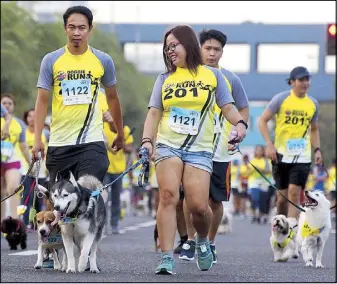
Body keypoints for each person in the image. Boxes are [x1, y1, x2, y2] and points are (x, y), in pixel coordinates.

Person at [140, 25, 247, 275]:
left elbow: (228, 107)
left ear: (188, 44)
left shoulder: (212, 76)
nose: (170, 51)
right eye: (167, 47)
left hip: (199, 149)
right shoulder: (164, 79)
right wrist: (147, 140)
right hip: (168, 145)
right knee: (168, 196)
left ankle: (201, 240)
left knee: (199, 206)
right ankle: (166, 257)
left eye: (174, 45)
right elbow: (154, 112)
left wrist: (240, 125)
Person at [32, 6, 124, 187]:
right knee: (58, 202)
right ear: (65, 28)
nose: (76, 32)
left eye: (81, 28)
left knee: (85, 192)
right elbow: (42, 101)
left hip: (92, 142)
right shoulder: (51, 60)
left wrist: (119, 132)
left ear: (90, 29)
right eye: (72, 27)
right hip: (60, 142)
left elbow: (113, 98)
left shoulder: (103, 60)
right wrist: (37, 140)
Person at [179, 29, 249, 264]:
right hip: (193, 147)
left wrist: (239, 131)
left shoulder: (230, 79)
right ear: (198, 49)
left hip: (220, 150)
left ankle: (209, 242)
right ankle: (190, 240)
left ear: (222, 52)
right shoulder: (187, 75)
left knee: (215, 201)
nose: (211, 53)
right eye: (207, 48)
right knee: (191, 198)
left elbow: (242, 108)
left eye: (216, 49)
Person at [259, 66, 323, 242]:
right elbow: (262, 121)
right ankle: (280, 228)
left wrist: (317, 150)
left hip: (302, 156)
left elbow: (314, 130)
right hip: (280, 154)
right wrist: (269, 144)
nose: (305, 83)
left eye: (307, 80)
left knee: (295, 193)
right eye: (301, 80)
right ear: (292, 82)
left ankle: (291, 234)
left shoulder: (313, 104)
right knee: (281, 199)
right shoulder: (281, 99)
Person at [99, 90, 134, 234]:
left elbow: (129, 149)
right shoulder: (103, 126)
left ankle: (114, 224)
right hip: (104, 168)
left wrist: (121, 143)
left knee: (115, 199)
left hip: (118, 169)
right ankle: (101, 224)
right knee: (102, 198)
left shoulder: (124, 129)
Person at [1, 94, 31, 219]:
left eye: (10, 103)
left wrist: (31, 163)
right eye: (4, 103)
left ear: (13, 106)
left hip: (12, 161)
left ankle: (14, 222)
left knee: (13, 188)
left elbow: (23, 146)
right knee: (1, 193)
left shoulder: (19, 124)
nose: (7, 105)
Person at [19, 108, 50, 228]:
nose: (32, 118)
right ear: (26, 118)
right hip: (25, 171)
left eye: (35, 116)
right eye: (29, 116)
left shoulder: (45, 133)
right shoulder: (23, 132)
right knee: (27, 196)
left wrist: (47, 166)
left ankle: (38, 223)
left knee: (38, 199)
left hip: (41, 171)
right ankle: (25, 224)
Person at [247, 145, 271, 224]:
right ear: (255, 152)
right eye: (258, 150)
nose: (259, 152)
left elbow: (269, 171)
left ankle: (260, 216)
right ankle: (253, 214)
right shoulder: (252, 160)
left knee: (263, 200)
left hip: (263, 182)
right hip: (254, 182)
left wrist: (260, 169)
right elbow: (248, 171)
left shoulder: (266, 161)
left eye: (261, 150)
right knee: (255, 198)